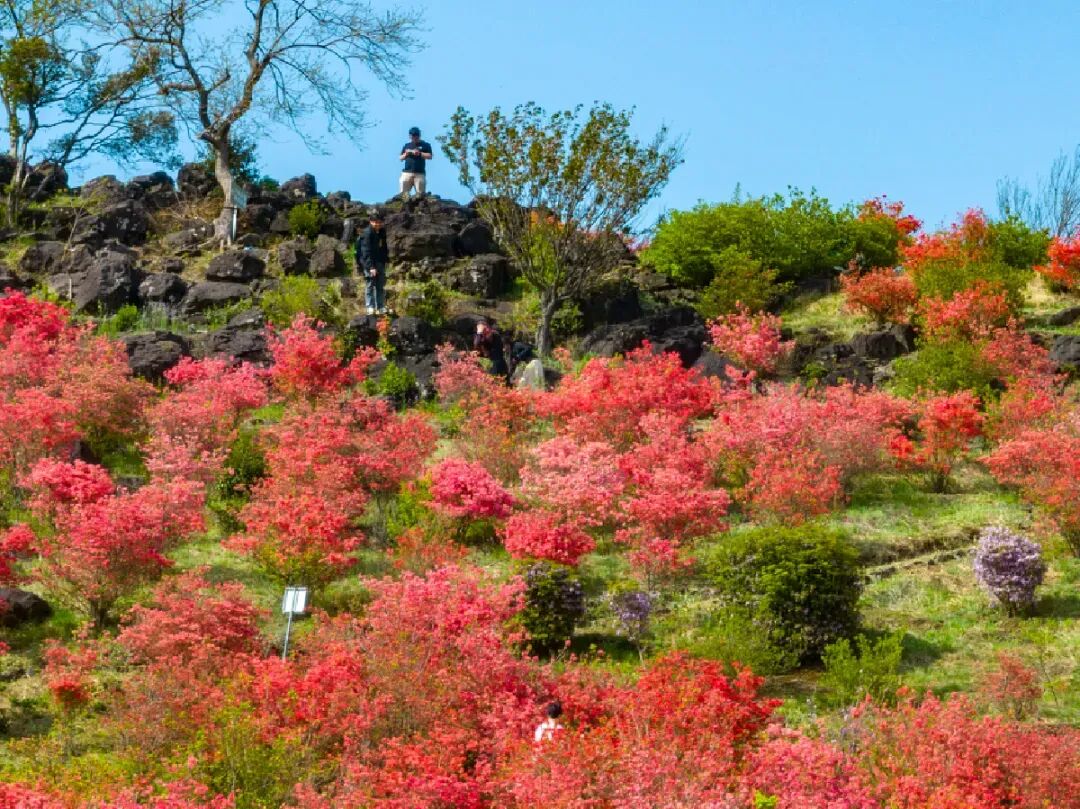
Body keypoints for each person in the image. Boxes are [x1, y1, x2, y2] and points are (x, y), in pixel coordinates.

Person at [357, 208, 389, 315]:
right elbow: (365, 251)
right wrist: (371, 267)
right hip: (369, 262)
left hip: (379, 261)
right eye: (375, 222)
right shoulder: (367, 233)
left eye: (379, 222)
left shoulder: (382, 232)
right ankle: (370, 306)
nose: (378, 224)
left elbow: (384, 247)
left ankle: (380, 306)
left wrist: (385, 261)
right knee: (370, 284)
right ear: (371, 221)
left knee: (380, 284)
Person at [399, 126, 432, 199]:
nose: (414, 138)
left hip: (419, 173)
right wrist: (406, 154)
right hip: (406, 173)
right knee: (402, 196)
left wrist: (419, 153)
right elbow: (400, 158)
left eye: (415, 136)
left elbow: (430, 156)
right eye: (412, 136)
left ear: (419, 136)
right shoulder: (407, 145)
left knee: (421, 196)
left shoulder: (425, 145)